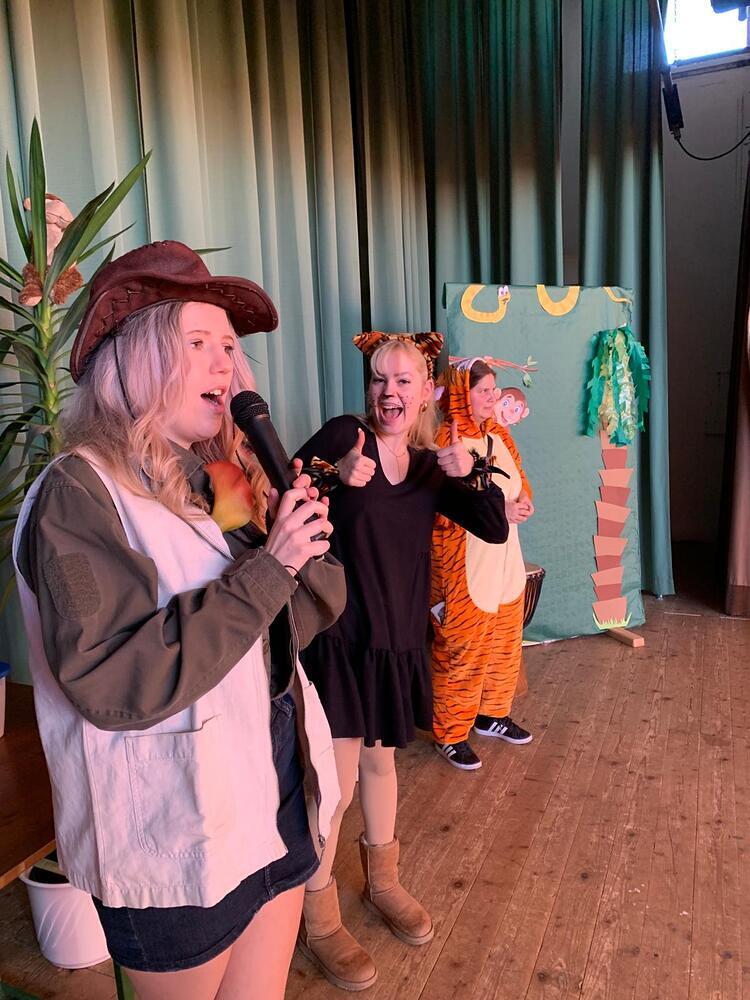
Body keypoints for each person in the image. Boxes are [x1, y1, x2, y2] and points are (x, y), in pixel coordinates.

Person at [12, 241, 344, 1000]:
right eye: (198, 342)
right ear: (133, 356)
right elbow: (111, 680)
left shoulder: (219, 475)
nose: (225, 363)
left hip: (273, 780)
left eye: (229, 346)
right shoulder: (78, 493)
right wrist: (270, 567)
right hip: (174, 827)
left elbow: (312, 610)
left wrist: (292, 527)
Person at [293, 332, 509, 991]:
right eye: (380, 379)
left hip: (396, 640)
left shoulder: (429, 464)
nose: (389, 391)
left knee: (381, 763)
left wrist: (468, 470)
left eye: (403, 380)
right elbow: (282, 489)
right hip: (339, 639)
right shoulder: (345, 435)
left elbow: (494, 526)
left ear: (426, 393)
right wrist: (332, 475)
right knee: (334, 784)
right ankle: (317, 915)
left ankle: (381, 882)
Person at [431, 357, 535, 772]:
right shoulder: (444, 439)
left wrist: (523, 502)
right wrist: (497, 511)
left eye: (494, 389)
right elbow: (443, 506)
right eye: (483, 391)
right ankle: (451, 733)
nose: (493, 397)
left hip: (506, 559)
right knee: (463, 649)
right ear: (461, 393)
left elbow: (519, 478)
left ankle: (492, 713)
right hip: (465, 564)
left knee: (504, 642)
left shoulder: (500, 434)